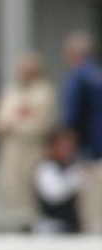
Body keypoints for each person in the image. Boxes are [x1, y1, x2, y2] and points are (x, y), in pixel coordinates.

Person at [0, 54, 58, 230]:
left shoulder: (44, 92)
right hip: (10, 151)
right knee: (9, 187)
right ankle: (12, 224)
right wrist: (15, 121)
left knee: (30, 190)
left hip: (32, 150)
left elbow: (42, 124)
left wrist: (15, 123)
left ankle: (30, 225)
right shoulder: (11, 93)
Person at [60, 32, 102, 232]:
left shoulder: (79, 78)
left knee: (91, 200)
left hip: (91, 150)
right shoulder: (98, 74)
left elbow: (72, 118)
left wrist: (69, 147)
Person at [35, 128, 85, 233]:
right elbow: (54, 193)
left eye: (71, 146)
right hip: (51, 226)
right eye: (63, 146)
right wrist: (76, 178)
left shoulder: (75, 164)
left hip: (73, 226)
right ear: (53, 147)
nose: (68, 150)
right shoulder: (46, 168)